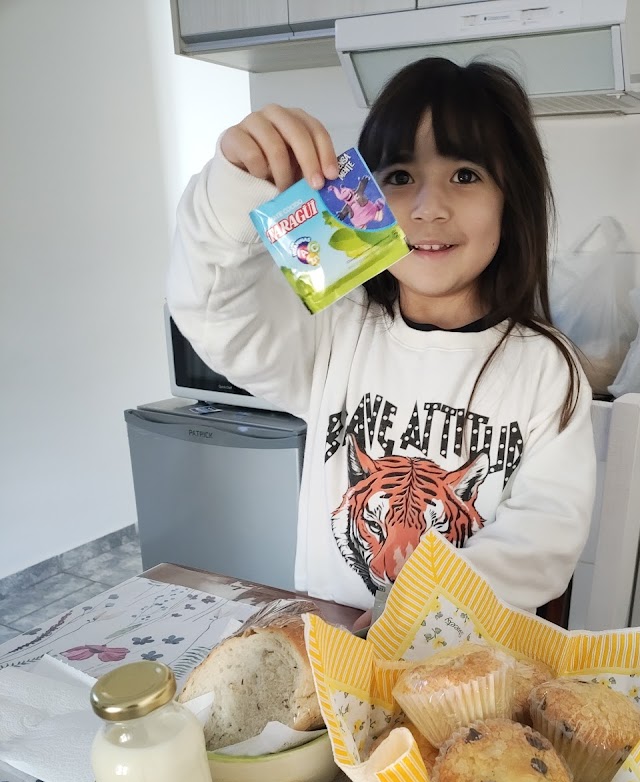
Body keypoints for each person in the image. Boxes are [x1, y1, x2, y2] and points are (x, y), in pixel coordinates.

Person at [167, 58, 596, 623]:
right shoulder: (336, 328)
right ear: (360, 193)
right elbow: (212, 311)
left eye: (465, 175)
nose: (429, 208)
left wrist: (420, 603)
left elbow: (543, 539)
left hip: (464, 660)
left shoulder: (546, 368)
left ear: (510, 198)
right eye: (398, 176)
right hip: (331, 650)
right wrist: (233, 184)